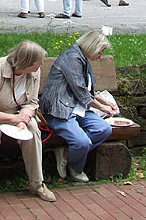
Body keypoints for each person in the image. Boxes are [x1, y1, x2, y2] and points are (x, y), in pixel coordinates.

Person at [0, 40, 56, 205]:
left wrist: (24, 119)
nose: (42, 64)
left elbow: (32, 102)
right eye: (38, 61)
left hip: (16, 113)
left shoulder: (34, 72)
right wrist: (15, 119)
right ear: (25, 62)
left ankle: (37, 183)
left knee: (33, 129)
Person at [39, 30, 119, 182]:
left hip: (77, 107)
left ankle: (66, 154)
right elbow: (81, 92)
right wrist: (103, 108)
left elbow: (86, 90)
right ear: (93, 46)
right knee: (82, 142)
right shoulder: (72, 58)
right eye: (101, 51)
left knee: (104, 129)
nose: (101, 55)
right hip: (59, 109)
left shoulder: (83, 58)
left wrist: (104, 101)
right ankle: (76, 168)